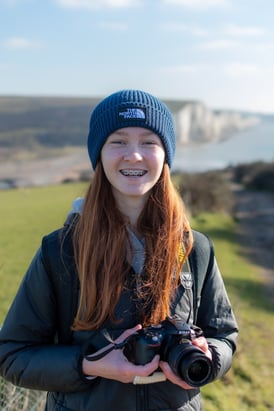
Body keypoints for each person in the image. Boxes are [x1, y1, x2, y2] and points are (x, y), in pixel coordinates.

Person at [0, 89, 238, 411]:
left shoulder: (195, 249)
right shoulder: (61, 252)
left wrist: (207, 356)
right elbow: (12, 355)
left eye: (149, 142)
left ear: (165, 155)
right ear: (99, 154)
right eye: (119, 141)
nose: (134, 155)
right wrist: (90, 365)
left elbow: (224, 335)